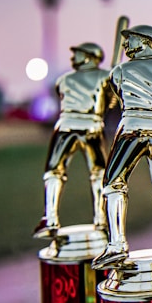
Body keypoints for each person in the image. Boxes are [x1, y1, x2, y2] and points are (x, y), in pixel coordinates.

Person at [92, 25, 152, 269]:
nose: (125, 45)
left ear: (147, 41)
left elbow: (120, 95)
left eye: (131, 40)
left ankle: (116, 245)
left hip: (132, 127)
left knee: (113, 182)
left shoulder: (119, 71)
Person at [34, 42, 113, 238]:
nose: (73, 57)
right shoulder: (105, 76)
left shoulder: (63, 79)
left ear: (89, 57)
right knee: (99, 172)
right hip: (92, 126)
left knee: (54, 170)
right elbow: (110, 103)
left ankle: (50, 218)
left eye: (78, 54)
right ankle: (101, 218)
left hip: (66, 126)